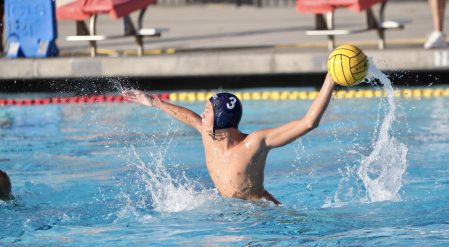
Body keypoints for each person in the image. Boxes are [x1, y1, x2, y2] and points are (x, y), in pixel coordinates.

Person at [122, 74, 335, 205]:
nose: (202, 115)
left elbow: (309, 122)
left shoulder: (254, 144)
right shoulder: (208, 135)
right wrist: (153, 102)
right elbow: (188, 117)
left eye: (207, 111)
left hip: (259, 216)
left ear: (222, 118)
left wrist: (330, 78)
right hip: (229, 212)